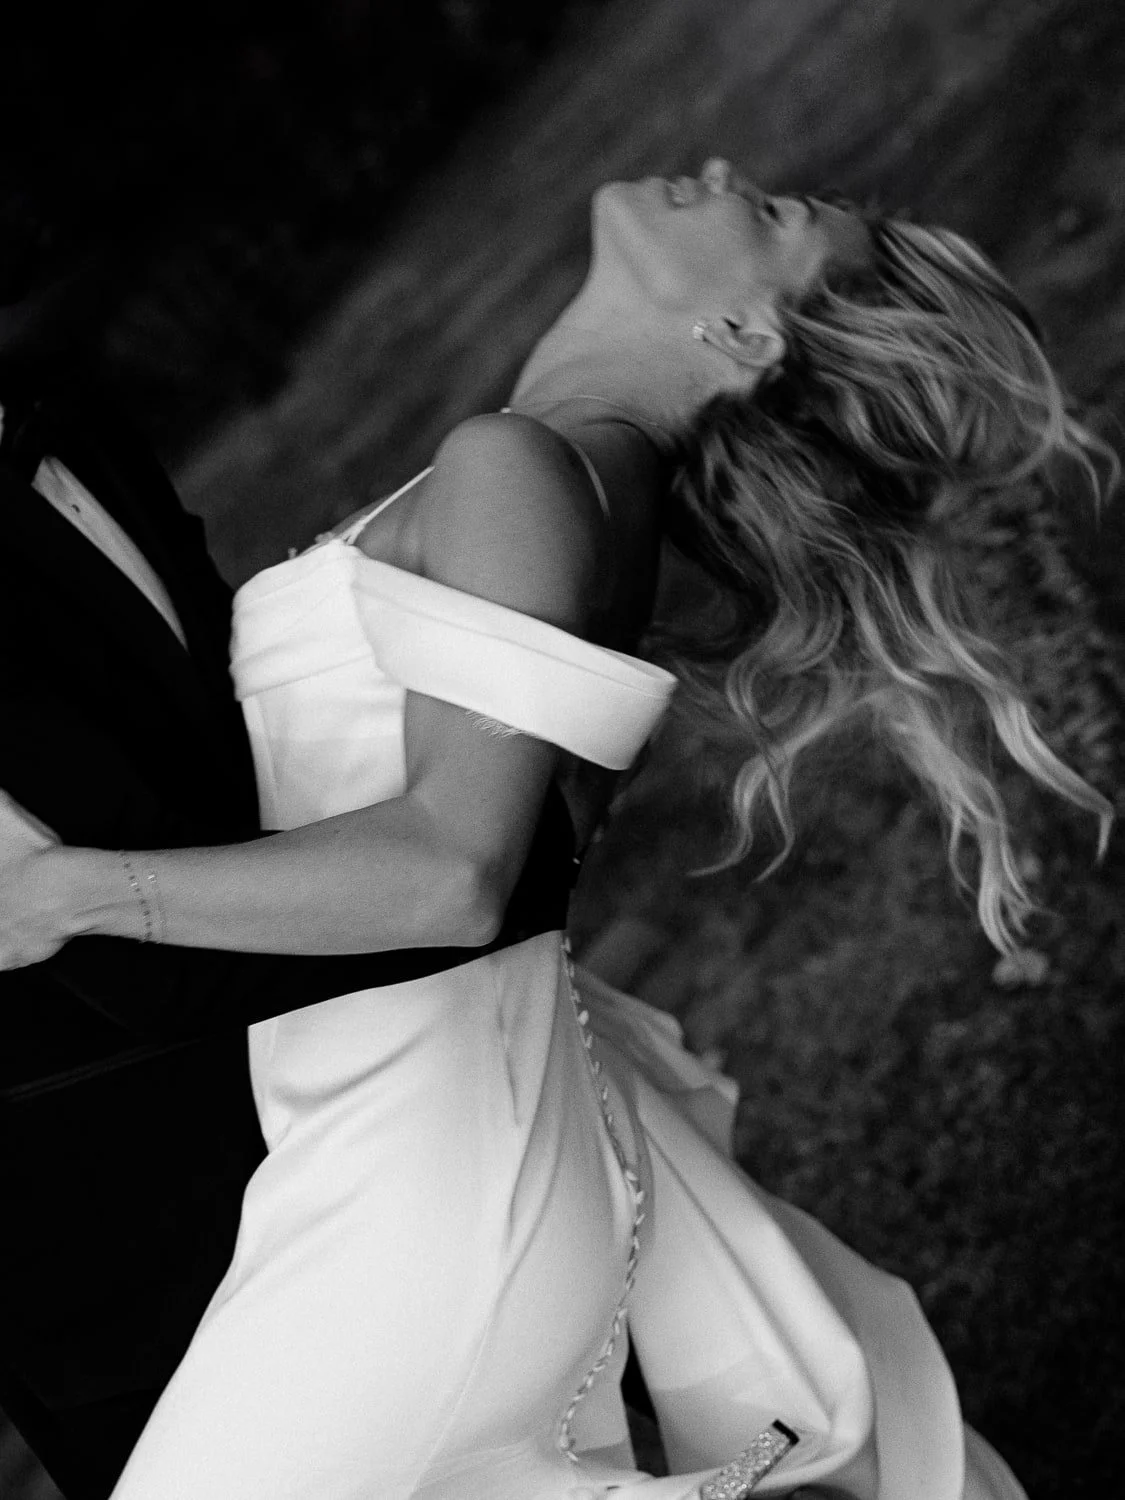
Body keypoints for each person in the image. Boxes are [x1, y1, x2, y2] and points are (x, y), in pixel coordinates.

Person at [0, 158, 1114, 1499]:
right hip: (404, 1143)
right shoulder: (572, 481)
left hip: (421, 1177)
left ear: (744, 334)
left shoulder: (517, 469)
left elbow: (459, 876)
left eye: (770, 214)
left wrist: (67, 895)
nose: (722, 173)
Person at [0, 207, 577, 1500]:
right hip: (139, 1243)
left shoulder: (63, 408)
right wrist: (486, 861)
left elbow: (234, 735)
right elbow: (118, 958)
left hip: (375, 1111)